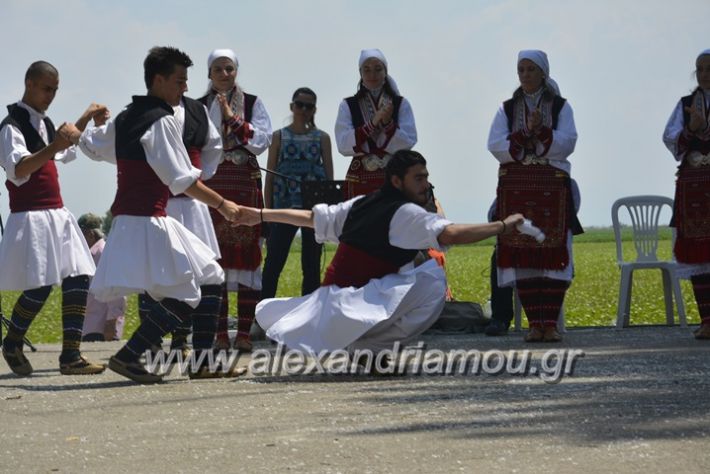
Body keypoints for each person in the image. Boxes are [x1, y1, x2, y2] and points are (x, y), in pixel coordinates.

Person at [60, 46, 244, 383]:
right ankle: (130, 356)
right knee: (188, 292)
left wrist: (79, 133)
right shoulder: (161, 121)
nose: (184, 88)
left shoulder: (129, 116)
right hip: (148, 220)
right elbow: (182, 179)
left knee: (210, 275)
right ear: (158, 80)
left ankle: (200, 361)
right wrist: (223, 204)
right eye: (179, 81)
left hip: (136, 220)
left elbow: (94, 147)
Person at [235, 150, 523, 355]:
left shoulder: (361, 202)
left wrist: (260, 214)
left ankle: (365, 346)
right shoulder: (405, 212)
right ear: (398, 182)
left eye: (426, 178)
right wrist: (502, 225)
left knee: (412, 272)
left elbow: (310, 218)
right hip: (348, 310)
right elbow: (450, 234)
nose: (425, 186)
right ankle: (371, 348)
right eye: (418, 179)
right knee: (433, 280)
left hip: (328, 306)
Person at [0, 61, 106, 376]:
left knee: (78, 275)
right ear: (29, 83)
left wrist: (84, 119)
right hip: (31, 216)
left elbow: (61, 151)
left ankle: (71, 355)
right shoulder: (11, 126)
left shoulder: (44, 123)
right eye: (46, 88)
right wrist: (55, 144)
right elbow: (19, 168)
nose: (50, 95)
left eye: (55, 90)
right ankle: (13, 341)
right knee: (40, 286)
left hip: (57, 214)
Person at [487, 50, 581, 343]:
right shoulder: (506, 108)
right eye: (521, 70)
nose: (525, 75)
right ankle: (534, 324)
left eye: (530, 69)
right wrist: (527, 131)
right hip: (517, 187)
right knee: (522, 254)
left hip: (552, 189)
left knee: (551, 253)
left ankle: (549, 323)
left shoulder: (561, 107)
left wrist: (539, 133)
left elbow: (568, 143)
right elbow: (494, 144)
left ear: (543, 73)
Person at [136, 91, 224, 358]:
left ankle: (181, 340)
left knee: (198, 272)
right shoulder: (147, 114)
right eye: (178, 79)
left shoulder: (197, 110)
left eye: (185, 80)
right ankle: (150, 342)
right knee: (156, 272)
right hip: (161, 202)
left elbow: (213, 146)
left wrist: (199, 174)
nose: (183, 85)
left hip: (193, 204)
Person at [199, 49, 272, 352]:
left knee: (244, 259)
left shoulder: (253, 104)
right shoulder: (197, 106)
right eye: (218, 69)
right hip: (211, 189)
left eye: (229, 68)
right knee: (213, 260)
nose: (224, 74)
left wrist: (233, 120)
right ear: (209, 74)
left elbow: (262, 140)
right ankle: (218, 334)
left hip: (243, 186)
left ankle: (242, 333)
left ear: (236, 71)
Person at [262, 87, 333, 300]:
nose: (303, 109)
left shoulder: (322, 138)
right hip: (283, 207)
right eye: (299, 104)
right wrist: (267, 212)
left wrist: (330, 212)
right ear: (292, 106)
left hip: (314, 210)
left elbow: (329, 177)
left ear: (314, 110)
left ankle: (308, 315)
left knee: (311, 265)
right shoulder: (278, 137)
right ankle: (262, 314)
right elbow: (270, 176)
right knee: (274, 262)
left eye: (308, 106)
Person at [663, 49, 710, 340]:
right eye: (701, 69)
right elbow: (670, 140)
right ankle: (707, 319)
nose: (705, 74)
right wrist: (692, 128)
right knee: (699, 254)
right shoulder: (685, 104)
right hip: (694, 184)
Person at [335, 49, 417, 199]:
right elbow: (343, 144)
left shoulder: (400, 104)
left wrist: (387, 123)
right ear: (360, 73)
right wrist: (372, 124)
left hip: (393, 175)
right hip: (361, 177)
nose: (372, 75)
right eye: (366, 70)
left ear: (385, 72)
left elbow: (408, 141)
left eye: (378, 69)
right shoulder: (348, 105)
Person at [78, 213, 126, 342]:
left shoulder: (103, 253)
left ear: (90, 234)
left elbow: (116, 292)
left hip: (100, 328)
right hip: (91, 325)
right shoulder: (95, 253)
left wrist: (111, 324)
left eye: (80, 235)